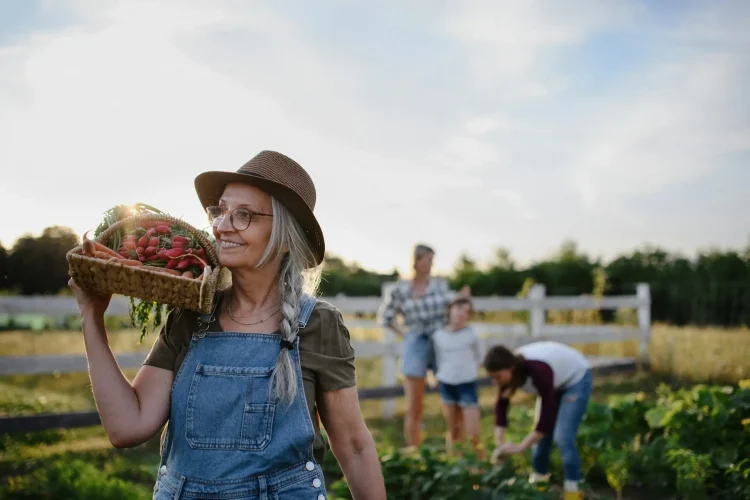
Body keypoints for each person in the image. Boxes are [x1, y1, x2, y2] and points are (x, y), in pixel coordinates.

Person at [69, 150, 385, 500]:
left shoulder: (317, 324)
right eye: (219, 211)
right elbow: (127, 427)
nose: (221, 226)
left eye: (244, 215)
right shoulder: (190, 317)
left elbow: (354, 446)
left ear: (283, 235)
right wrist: (91, 317)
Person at [378, 244, 469, 448]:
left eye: (432, 260)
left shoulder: (440, 286)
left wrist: (462, 300)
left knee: (451, 399)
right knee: (414, 405)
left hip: (440, 342)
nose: (430, 265)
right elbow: (385, 317)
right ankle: (415, 451)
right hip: (416, 342)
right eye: (428, 260)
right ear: (416, 261)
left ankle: (456, 448)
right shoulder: (400, 289)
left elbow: (454, 309)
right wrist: (406, 335)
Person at [484, 341, 592, 500]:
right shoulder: (508, 376)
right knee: (541, 442)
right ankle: (538, 488)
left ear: (510, 368)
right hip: (552, 385)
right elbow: (501, 408)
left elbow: (545, 421)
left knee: (563, 438)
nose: (495, 382)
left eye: (497, 377)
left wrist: (521, 447)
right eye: (492, 378)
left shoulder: (538, 370)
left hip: (575, 379)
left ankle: (574, 492)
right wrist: (500, 445)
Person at [432, 296, 484, 457]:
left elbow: (480, 357)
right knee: (454, 430)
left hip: (467, 383)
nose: (462, 314)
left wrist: (468, 369)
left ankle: (482, 466)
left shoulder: (473, 333)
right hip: (447, 384)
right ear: (451, 310)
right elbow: (437, 359)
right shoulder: (438, 335)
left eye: (467, 311)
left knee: (473, 432)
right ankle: (456, 465)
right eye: (459, 309)